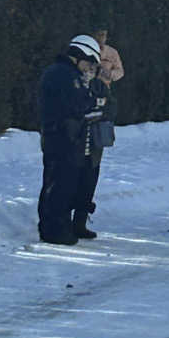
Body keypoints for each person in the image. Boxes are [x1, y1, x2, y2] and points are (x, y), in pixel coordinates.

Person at [37, 35, 102, 246]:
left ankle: (61, 227)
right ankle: (53, 230)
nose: (89, 67)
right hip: (60, 137)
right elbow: (78, 103)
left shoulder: (66, 73)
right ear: (80, 54)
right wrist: (91, 102)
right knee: (58, 185)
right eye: (89, 62)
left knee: (65, 184)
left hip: (66, 137)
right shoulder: (63, 74)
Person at [69, 27, 124, 240]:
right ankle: (67, 221)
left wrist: (99, 108)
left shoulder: (102, 79)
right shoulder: (72, 80)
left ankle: (80, 222)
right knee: (71, 179)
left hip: (94, 141)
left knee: (89, 179)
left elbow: (110, 106)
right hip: (75, 140)